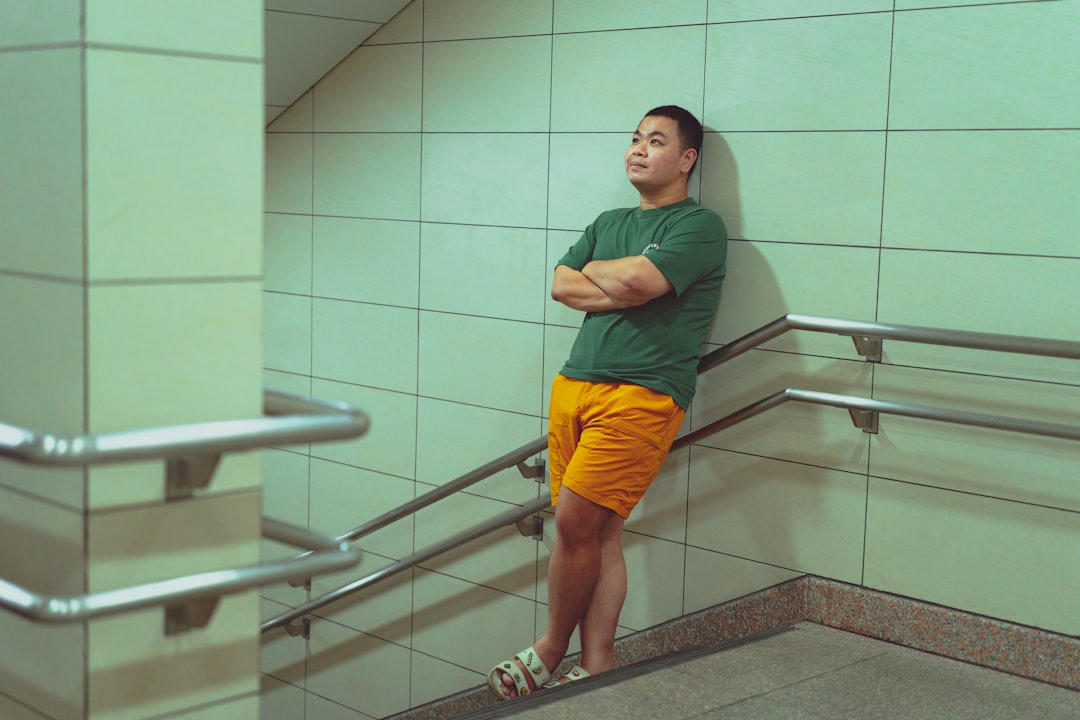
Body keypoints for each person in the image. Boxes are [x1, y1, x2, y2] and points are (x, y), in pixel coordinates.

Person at [487, 105, 728, 699]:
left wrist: (609, 279)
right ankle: (599, 661)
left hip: (641, 395)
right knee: (598, 534)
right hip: (575, 386)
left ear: (687, 159)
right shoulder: (609, 219)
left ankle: (550, 647)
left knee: (570, 523)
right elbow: (561, 284)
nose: (638, 149)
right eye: (634, 139)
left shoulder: (698, 226)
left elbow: (642, 283)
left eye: (655, 140)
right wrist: (614, 279)